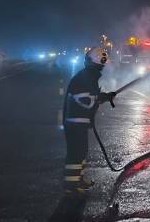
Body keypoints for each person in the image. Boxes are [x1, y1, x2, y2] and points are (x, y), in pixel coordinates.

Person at [62, 47, 116, 196]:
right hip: (75, 122)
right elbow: (86, 100)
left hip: (79, 121)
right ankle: (71, 186)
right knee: (76, 154)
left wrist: (105, 96)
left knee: (81, 151)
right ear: (97, 63)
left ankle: (78, 179)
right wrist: (102, 98)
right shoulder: (86, 77)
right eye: (102, 65)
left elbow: (91, 96)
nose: (103, 68)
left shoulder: (88, 76)